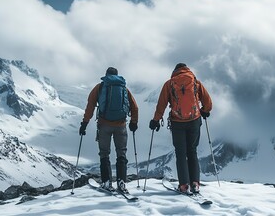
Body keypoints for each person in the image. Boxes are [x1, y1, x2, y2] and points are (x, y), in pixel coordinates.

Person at [149, 63, 212, 194]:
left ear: (175, 71)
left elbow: (161, 104)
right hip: (194, 121)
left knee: (181, 153)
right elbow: (208, 101)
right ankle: (195, 183)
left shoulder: (169, 83)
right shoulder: (195, 82)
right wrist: (205, 111)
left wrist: (155, 120)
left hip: (177, 122)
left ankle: (184, 185)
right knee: (192, 151)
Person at [79, 67, 139, 194]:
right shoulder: (124, 88)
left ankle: (106, 182)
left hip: (104, 125)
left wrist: (84, 123)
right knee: (121, 153)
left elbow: (90, 106)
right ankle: (121, 182)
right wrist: (134, 122)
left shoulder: (100, 87)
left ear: (106, 75)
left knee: (104, 153)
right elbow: (135, 107)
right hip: (121, 126)